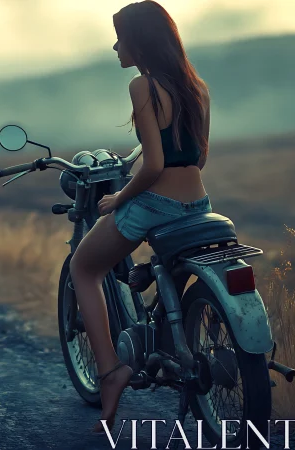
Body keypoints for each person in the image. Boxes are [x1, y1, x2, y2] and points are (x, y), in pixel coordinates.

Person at [68, 0, 213, 434]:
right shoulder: (198, 87)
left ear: (139, 41)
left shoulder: (143, 87)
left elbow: (152, 167)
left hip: (156, 202)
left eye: (120, 38)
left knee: (84, 267)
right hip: (199, 204)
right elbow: (197, 157)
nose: (115, 47)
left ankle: (111, 372)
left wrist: (120, 199)